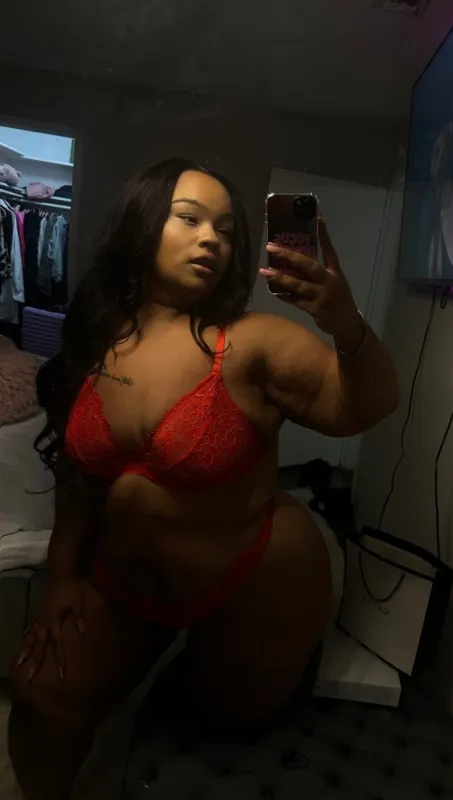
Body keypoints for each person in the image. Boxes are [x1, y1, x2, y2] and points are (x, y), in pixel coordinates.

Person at [7, 157, 399, 800]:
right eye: (189, 219)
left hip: (257, 574)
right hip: (127, 584)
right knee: (40, 694)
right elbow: (81, 483)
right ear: (141, 225)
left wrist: (344, 322)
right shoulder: (97, 335)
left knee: (217, 724)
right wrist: (64, 578)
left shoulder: (253, 343)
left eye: (225, 230)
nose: (211, 238)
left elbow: (370, 405)